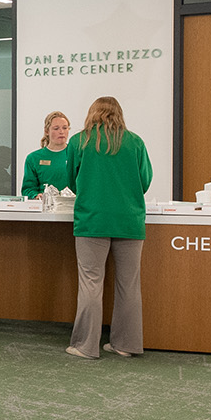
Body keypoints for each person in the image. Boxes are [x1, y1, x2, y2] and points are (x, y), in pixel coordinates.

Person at [62, 96, 152, 360]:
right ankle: (126, 344)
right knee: (129, 285)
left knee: (91, 283)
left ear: (92, 113)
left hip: (92, 220)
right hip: (130, 221)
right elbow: (144, 181)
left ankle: (85, 346)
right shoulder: (135, 141)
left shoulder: (80, 141)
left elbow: (72, 181)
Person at [21, 111, 72, 197]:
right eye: (56, 128)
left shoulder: (77, 155)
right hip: (44, 207)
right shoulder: (33, 158)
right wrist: (36, 196)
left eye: (65, 128)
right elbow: (28, 189)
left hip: (71, 207)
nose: (61, 132)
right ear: (47, 131)